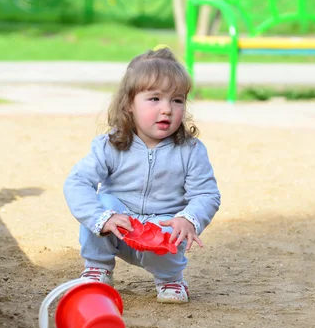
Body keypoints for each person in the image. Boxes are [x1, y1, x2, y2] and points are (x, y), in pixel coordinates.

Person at [63, 46, 221, 304]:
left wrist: (189, 219)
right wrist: (103, 218)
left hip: (160, 232)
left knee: (171, 226)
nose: (167, 109)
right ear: (129, 105)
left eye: (177, 100)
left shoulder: (191, 150)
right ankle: (97, 268)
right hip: (119, 227)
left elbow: (206, 194)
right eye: (155, 99)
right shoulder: (110, 144)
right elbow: (77, 182)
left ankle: (170, 279)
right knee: (102, 202)